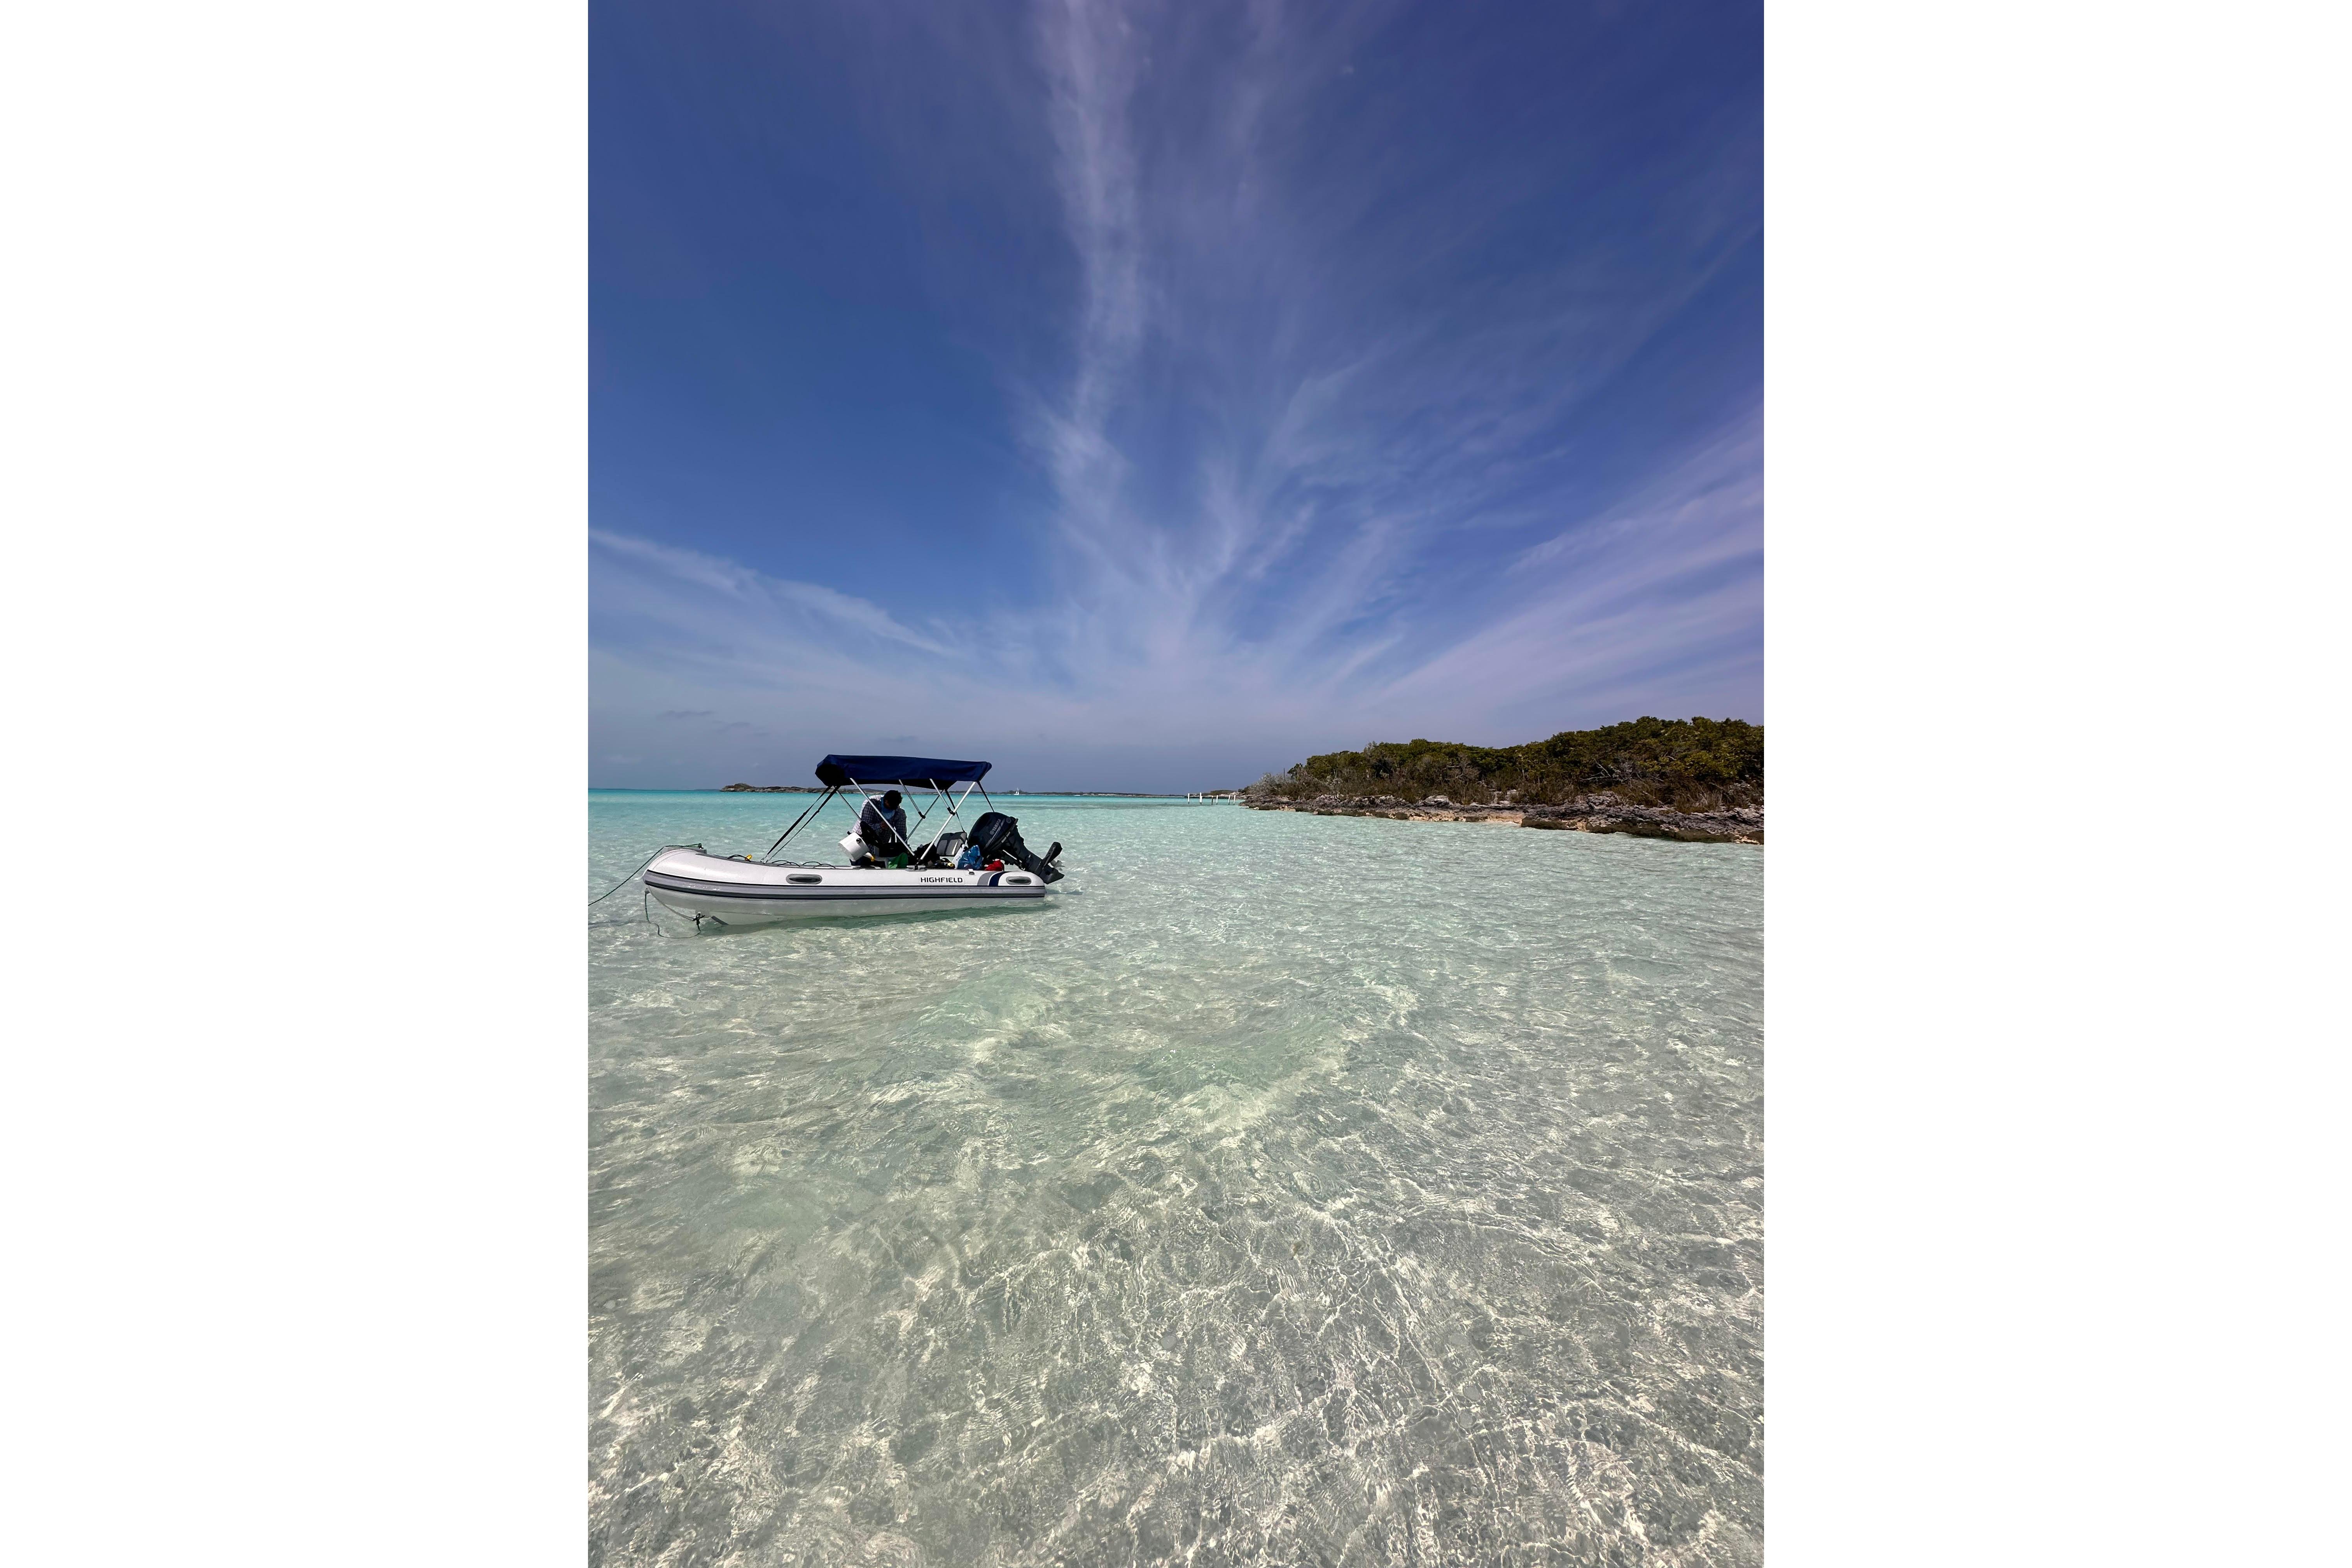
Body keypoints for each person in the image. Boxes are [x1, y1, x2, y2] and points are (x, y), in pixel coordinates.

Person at [857, 789, 912, 866]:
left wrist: (906, 849)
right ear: (885, 801)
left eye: (895, 807)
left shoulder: (900, 813)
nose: (892, 809)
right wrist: (880, 826)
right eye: (890, 806)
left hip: (881, 846)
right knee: (860, 865)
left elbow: (901, 834)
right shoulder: (871, 803)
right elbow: (864, 825)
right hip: (861, 843)